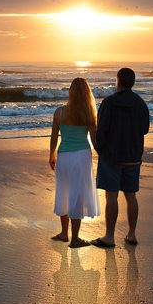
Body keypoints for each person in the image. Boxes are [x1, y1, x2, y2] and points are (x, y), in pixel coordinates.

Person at [90, 67, 150, 248]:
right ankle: (131, 234)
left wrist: (99, 149)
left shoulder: (109, 103)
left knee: (112, 196)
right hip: (133, 156)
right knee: (131, 196)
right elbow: (145, 129)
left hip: (113, 156)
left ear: (118, 81)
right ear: (132, 82)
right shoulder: (140, 103)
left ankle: (109, 236)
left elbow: (102, 133)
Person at [49, 77, 101, 247]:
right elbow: (94, 140)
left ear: (71, 92)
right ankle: (75, 238)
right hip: (81, 156)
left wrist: (52, 155)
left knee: (63, 192)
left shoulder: (59, 112)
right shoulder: (88, 113)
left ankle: (64, 233)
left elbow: (54, 137)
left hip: (63, 156)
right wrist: (103, 154)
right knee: (76, 194)